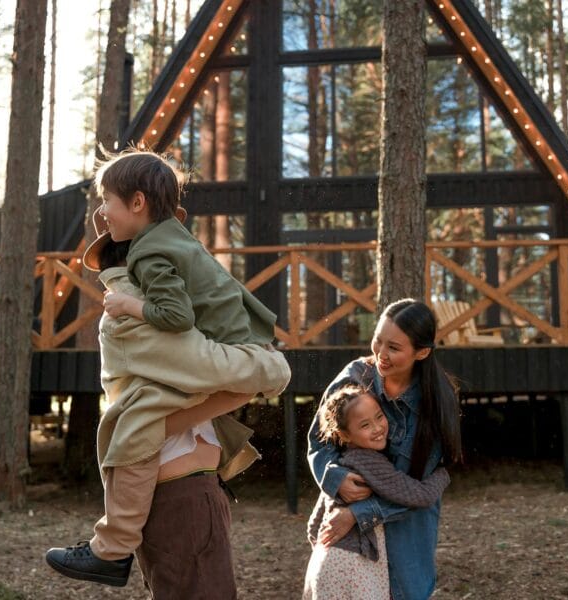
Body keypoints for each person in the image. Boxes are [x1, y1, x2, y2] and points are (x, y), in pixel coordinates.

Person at [46, 161, 289, 596]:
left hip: (187, 492)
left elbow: (204, 361)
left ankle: (112, 548)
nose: (104, 213)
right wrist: (265, 370)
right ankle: (112, 547)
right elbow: (211, 374)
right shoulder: (143, 298)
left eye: (108, 206)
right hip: (180, 490)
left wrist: (264, 370)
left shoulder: (146, 281)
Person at [307, 298, 462, 600]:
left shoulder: (436, 403)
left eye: (394, 347)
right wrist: (334, 479)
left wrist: (360, 512)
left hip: (406, 535)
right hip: (350, 539)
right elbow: (318, 441)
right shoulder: (354, 376)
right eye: (378, 341)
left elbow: (419, 491)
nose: (380, 354)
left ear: (422, 352)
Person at [303, 384, 451, 600]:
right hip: (353, 568)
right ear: (344, 435)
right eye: (365, 425)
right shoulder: (370, 462)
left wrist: (326, 551)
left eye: (380, 417)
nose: (378, 428)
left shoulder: (339, 467)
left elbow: (313, 527)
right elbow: (421, 496)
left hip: (323, 566)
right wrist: (444, 473)